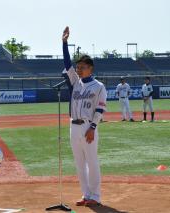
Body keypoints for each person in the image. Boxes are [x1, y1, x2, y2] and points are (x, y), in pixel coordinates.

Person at [62, 26, 107, 207]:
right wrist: (64, 43)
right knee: (79, 163)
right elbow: (67, 64)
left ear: (91, 68)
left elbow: (100, 109)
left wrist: (93, 128)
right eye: (78, 67)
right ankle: (86, 193)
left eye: (82, 67)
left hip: (88, 126)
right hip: (73, 126)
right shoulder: (75, 82)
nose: (79, 70)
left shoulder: (98, 86)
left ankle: (95, 196)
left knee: (92, 162)